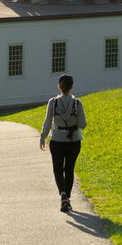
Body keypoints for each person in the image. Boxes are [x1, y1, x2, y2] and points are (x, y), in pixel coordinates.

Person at [40, 74, 87, 212]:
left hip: (57, 140)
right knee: (69, 169)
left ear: (59, 86)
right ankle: (68, 197)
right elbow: (83, 124)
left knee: (58, 169)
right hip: (73, 141)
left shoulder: (52, 102)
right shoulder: (77, 103)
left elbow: (48, 122)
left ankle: (63, 195)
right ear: (72, 86)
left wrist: (43, 137)